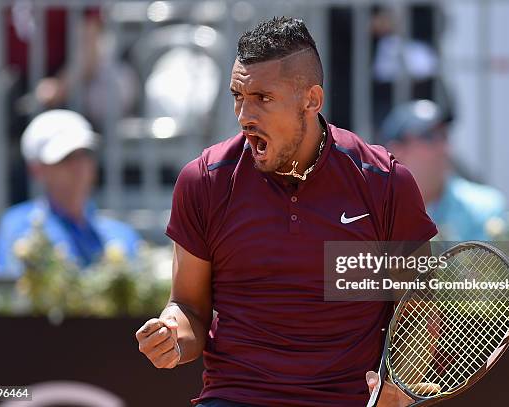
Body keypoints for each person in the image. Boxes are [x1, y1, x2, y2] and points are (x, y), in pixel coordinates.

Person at [136, 17, 437, 407]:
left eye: (263, 98)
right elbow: (189, 307)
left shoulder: (385, 182)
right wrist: (172, 337)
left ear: (311, 100)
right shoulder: (204, 180)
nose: (245, 115)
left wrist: (398, 389)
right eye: (237, 96)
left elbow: (416, 310)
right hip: (236, 398)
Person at [0, 109, 140, 277]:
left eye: (85, 154)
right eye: (66, 158)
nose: (79, 166)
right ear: (37, 169)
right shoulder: (18, 227)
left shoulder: (123, 234)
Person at [381, 99, 507, 241]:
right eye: (429, 137)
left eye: (445, 136)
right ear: (397, 151)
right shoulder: (371, 212)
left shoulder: (485, 206)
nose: (444, 148)